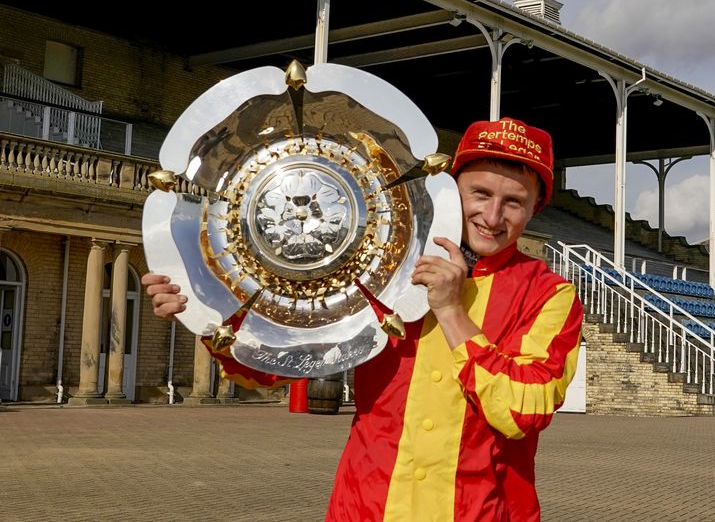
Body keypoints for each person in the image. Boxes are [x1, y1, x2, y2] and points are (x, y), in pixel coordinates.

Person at [143, 117, 584, 521]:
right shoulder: (381, 262)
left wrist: (450, 310)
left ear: (534, 210)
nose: (492, 216)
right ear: (451, 189)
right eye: (481, 194)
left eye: (513, 203)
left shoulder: (550, 295)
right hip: (366, 506)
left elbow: (521, 411)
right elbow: (275, 369)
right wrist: (205, 314)